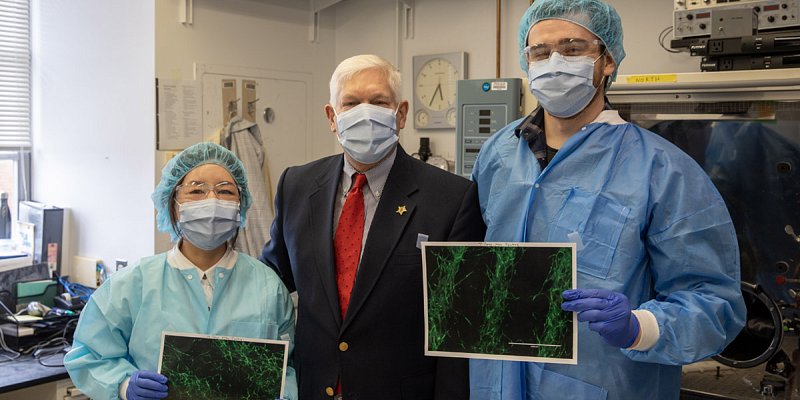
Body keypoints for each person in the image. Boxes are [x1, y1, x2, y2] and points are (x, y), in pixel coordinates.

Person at [468, 1, 746, 399]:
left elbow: (714, 301)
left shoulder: (663, 170)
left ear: (607, 61)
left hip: (607, 385)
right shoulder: (497, 153)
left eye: (573, 48)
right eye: (540, 52)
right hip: (496, 383)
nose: (555, 61)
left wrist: (639, 327)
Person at [260, 54, 486, 399]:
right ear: (332, 117)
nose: (365, 112)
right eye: (350, 103)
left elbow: (456, 331)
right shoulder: (298, 185)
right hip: (313, 386)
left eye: (379, 101)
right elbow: (270, 283)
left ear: (401, 113)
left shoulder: (451, 198)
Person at [64, 142, 297, 400]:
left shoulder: (267, 286)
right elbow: (88, 354)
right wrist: (124, 385)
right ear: (173, 204)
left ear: (240, 206)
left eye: (226, 191)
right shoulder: (133, 284)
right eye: (196, 191)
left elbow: (289, 365)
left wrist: (284, 394)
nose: (212, 200)